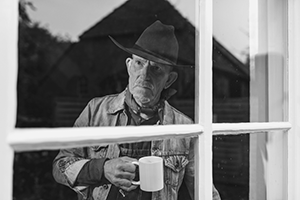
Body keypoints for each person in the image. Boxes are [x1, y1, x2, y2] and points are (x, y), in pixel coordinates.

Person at [53, 20, 221, 200]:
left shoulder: (185, 129)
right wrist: (103, 168)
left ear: (169, 80)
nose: (145, 75)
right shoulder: (95, 111)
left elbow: (205, 192)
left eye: (156, 68)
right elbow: (60, 167)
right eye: (139, 63)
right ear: (128, 66)